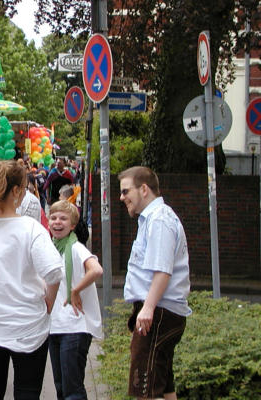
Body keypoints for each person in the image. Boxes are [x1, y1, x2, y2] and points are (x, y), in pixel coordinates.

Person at [0, 160, 64, 399]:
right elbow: (53, 271)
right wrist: (49, 301)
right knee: (27, 392)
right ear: (17, 191)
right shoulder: (30, 228)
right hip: (27, 324)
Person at [118, 166, 191, 400]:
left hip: (159, 312)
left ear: (144, 189)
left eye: (125, 191)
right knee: (163, 384)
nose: (122, 197)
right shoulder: (153, 219)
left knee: (146, 389)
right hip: (161, 311)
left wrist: (147, 308)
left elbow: (162, 270)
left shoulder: (159, 220)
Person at [47, 200, 103, 400]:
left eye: (63, 218)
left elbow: (96, 270)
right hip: (55, 326)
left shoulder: (76, 248)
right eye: (53, 218)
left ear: (72, 225)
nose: (57, 222)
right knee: (61, 386)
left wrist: (76, 290)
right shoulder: (51, 249)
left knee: (72, 389)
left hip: (75, 326)